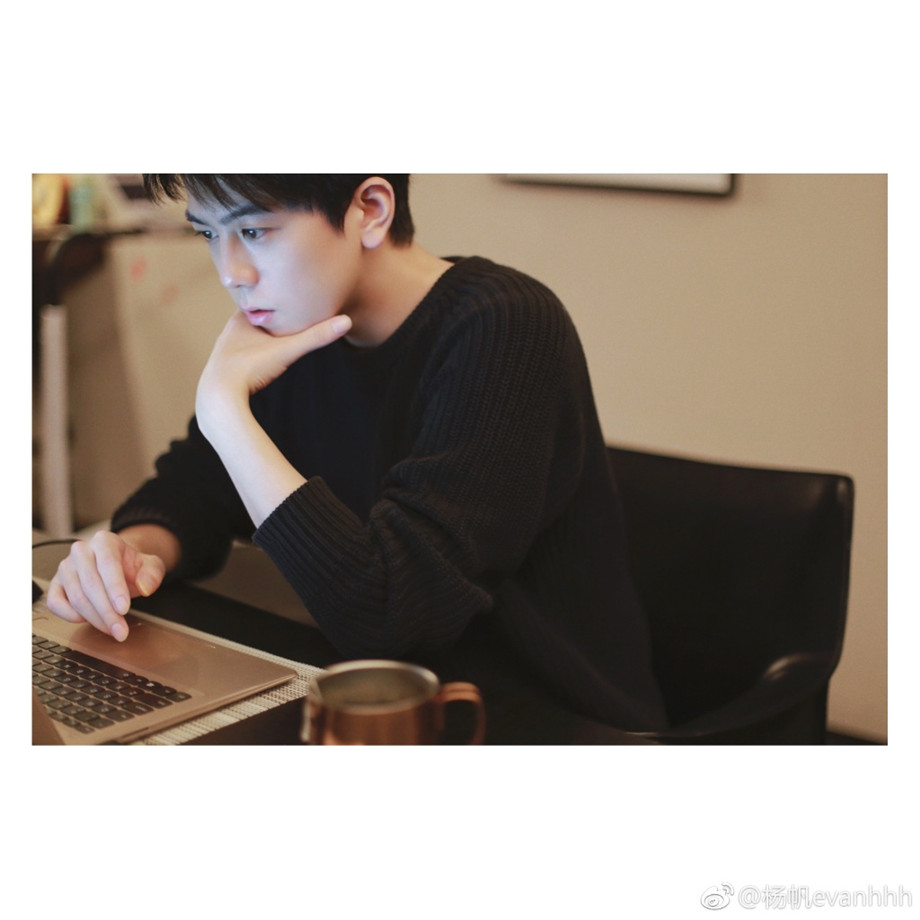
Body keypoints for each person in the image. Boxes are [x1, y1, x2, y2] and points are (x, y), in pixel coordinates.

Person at [46, 174, 667, 731]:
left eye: (254, 231)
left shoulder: (506, 327)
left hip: (544, 722)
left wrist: (225, 412)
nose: (231, 271)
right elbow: (194, 490)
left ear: (370, 209)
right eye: (209, 234)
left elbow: (390, 617)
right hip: (373, 705)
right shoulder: (298, 324)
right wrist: (127, 556)